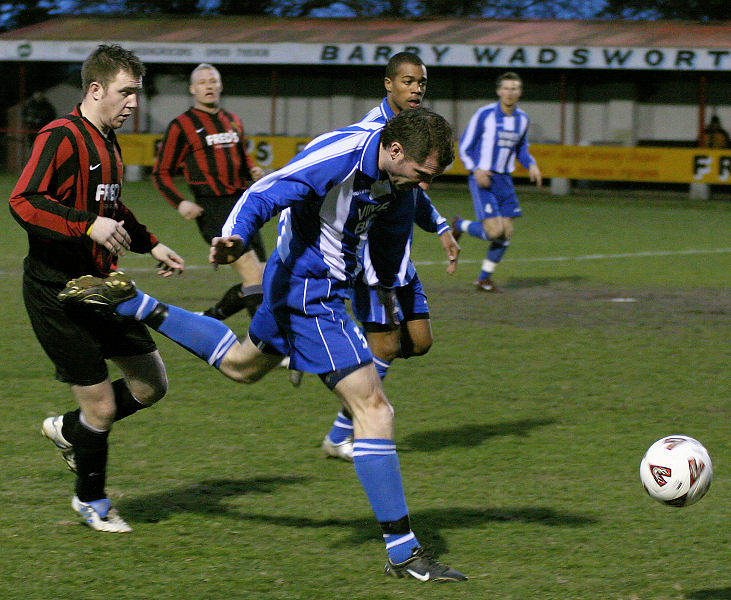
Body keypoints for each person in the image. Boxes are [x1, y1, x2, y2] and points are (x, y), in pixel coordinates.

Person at [59, 108, 467, 581]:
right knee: (375, 410)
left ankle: (136, 303)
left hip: (303, 282)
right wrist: (233, 234)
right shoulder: (343, 156)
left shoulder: (399, 182)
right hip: (311, 292)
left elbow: (388, 246)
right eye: (421, 174)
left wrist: (388, 293)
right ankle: (405, 553)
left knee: (241, 365)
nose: (424, 184)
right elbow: (268, 190)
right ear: (395, 150)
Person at [9, 44, 185, 533]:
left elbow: (114, 210)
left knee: (152, 385)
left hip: (103, 287)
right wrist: (85, 225)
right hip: (57, 293)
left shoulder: (109, 142)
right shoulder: (61, 135)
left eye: (137, 93)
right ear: (95, 89)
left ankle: (69, 430)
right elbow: (23, 202)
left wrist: (152, 244)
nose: (133, 102)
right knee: (102, 406)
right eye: (126, 92)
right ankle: (92, 502)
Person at [321, 52, 460, 461]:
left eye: (421, 82)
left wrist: (439, 226)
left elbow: (413, 189)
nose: (416, 88)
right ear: (388, 84)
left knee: (419, 343)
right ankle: (346, 430)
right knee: (383, 348)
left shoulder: (418, 131)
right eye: (407, 81)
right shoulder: (370, 135)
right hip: (371, 262)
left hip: (401, 259)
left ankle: (347, 362)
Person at [153, 63, 266, 321]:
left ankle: (208, 319)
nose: (209, 86)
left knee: (264, 277)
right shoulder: (181, 125)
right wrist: (180, 203)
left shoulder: (233, 121)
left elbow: (243, 161)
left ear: (220, 86)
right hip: (213, 208)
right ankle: (264, 346)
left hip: (243, 206)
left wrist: (253, 172)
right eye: (203, 82)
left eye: (213, 81)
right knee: (252, 274)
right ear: (193, 89)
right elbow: (160, 172)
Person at [453, 71, 542, 292]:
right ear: (499, 91)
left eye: (515, 88)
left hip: (505, 180)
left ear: (520, 92)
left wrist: (531, 163)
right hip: (484, 178)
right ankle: (458, 225)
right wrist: (475, 169)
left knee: (506, 234)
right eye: (506, 88)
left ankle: (484, 279)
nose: (510, 92)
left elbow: (521, 148)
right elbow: (464, 145)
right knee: (494, 232)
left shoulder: (522, 119)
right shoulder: (485, 115)